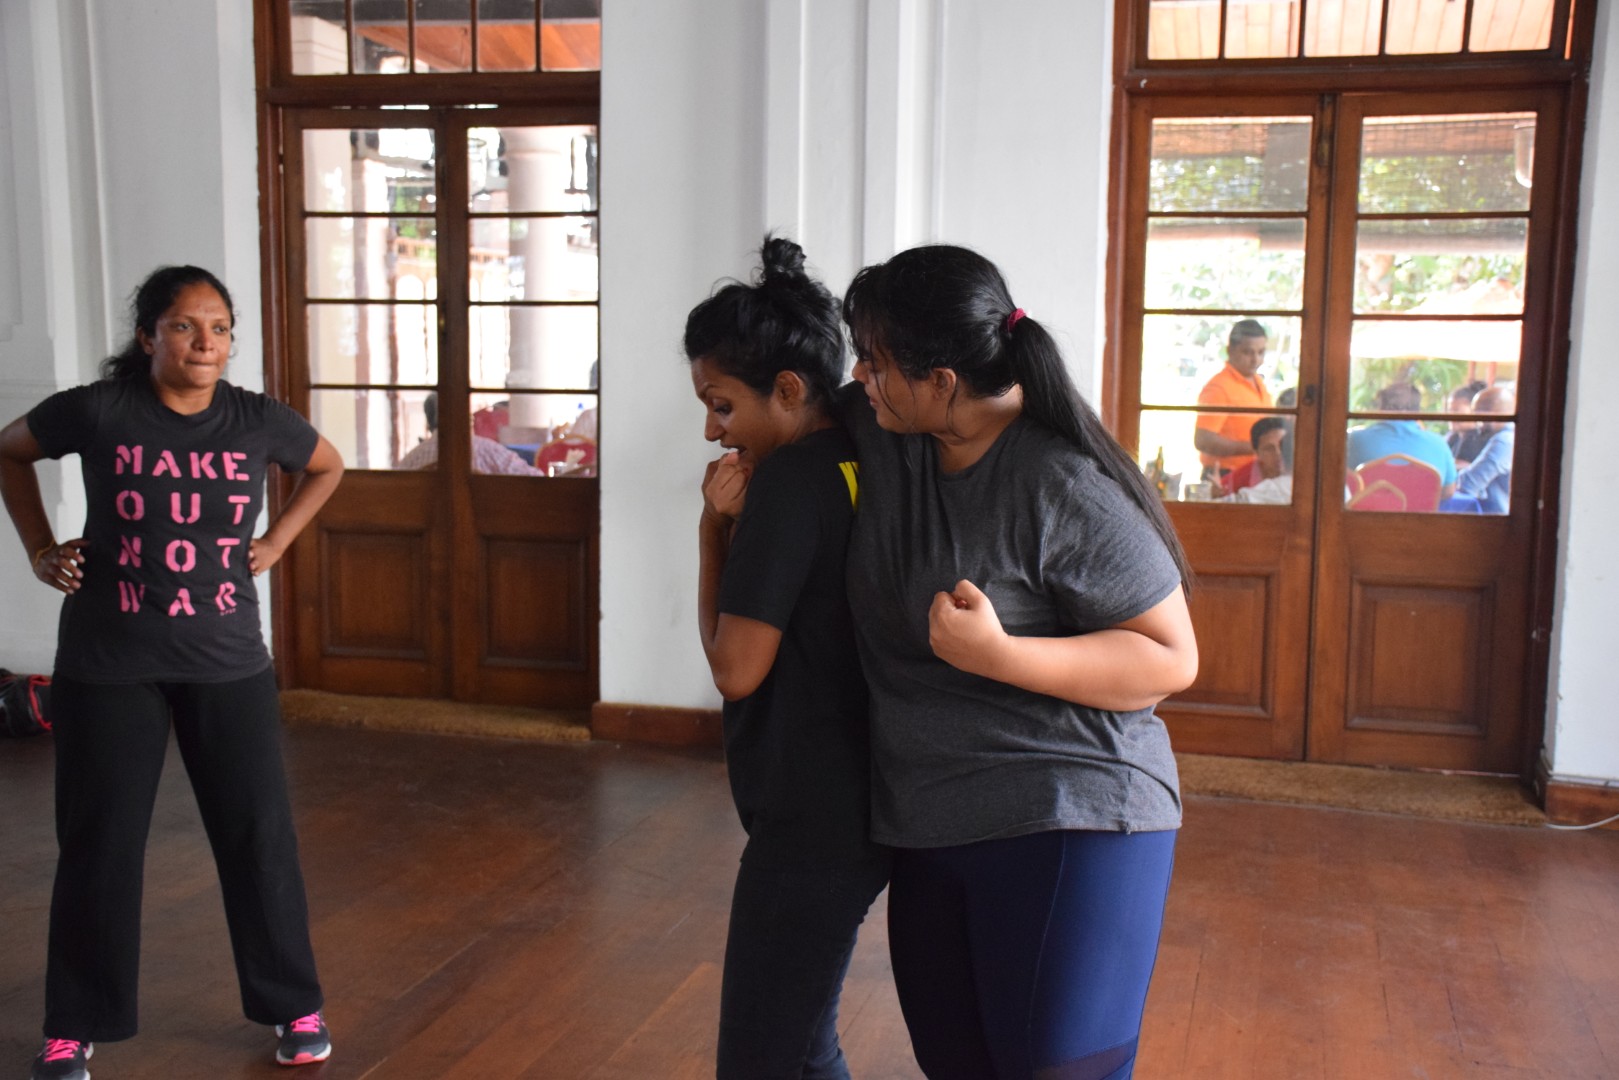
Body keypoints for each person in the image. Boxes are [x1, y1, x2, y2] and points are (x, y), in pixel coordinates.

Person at [839, 245, 1198, 1080]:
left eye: (876, 362)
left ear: (941, 381)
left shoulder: (1058, 482)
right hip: (930, 819)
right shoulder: (895, 434)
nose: (858, 377)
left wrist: (1000, 655)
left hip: (1068, 811)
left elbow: (1169, 656)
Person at [0, 266, 344, 1080]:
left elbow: (327, 466)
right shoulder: (100, 410)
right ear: (147, 335)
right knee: (99, 844)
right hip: (108, 665)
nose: (204, 343)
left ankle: (293, 1005)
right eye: (185, 326)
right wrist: (40, 549)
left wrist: (276, 543)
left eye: (219, 328)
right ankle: (73, 1025)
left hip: (227, 663)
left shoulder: (257, 419)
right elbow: (10, 450)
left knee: (257, 835)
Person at [686, 237, 889, 1080]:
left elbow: (735, 669)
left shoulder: (789, 481)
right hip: (869, 786)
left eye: (722, 405)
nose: (712, 428)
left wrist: (711, 532)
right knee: (802, 1046)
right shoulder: (866, 451)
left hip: (809, 812)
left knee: (761, 1056)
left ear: (790, 389)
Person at [1346, 380, 1457, 499]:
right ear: (1417, 411)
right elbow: (1448, 491)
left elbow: (1341, 481)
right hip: (1420, 511)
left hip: (1367, 511)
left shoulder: (1354, 440)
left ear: (1381, 408)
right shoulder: (1439, 444)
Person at [1194, 319, 1273, 483]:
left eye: (1261, 352)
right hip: (1224, 477)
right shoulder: (1218, 388)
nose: (1256, 360)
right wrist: (1257, 447)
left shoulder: (1258, 383)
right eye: (1248, 352)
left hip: (1254, 474)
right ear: (1230, 351)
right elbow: (1203, 440)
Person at [397, 391, 543, 474]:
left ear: (429, 422)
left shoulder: (412, 459)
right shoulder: (487, 451)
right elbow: (534, 479)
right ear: (466, 416)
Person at [1456, 384, 1515, 514]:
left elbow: (1469, 484)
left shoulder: (1503, 441)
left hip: (1495, 519)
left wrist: (1446, 476)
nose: (1478, 421)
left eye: (1480, 414)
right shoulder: (1508, 437)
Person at [1219, 416, 1293, 505]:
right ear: (1257, 453)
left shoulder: (1302, 476)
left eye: (1283, 446)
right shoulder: (1238, 479)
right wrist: (1216, 495)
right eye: (1269, 448)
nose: (1278, 453)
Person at [1445, 380, 1490, 466]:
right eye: (1449, 410)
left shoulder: (1476, 440)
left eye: (1456, 411)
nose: (1451, 415)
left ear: (1475, 411)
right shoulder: (1454, 437)